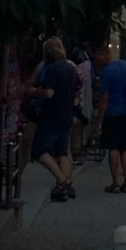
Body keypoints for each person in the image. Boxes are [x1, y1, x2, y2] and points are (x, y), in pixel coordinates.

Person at [29, 35, 81, 201]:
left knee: (38, 150)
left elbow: (49, 93)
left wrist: (35, 92)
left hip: (51, 115)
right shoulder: (71, 68)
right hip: (67, 115)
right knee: (63, 151)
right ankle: (63, 188)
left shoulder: (53, 69)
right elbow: (76, 92)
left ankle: (61, 179)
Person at [95, 40, 126, 193]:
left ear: (104, 55)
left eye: (97, 57)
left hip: (112, 113)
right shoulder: (125, 66)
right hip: (125, 111)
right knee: (124, 147)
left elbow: (104, 98)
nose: (96, 61)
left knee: (113, 147)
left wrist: (100, 121)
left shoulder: (106, 72)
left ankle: (115, 182)